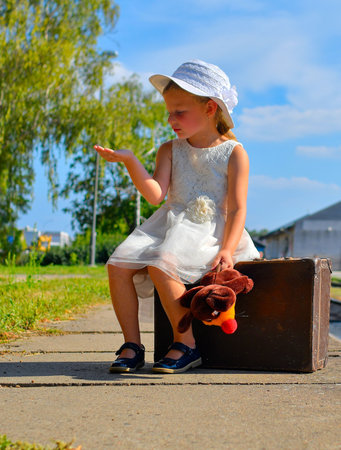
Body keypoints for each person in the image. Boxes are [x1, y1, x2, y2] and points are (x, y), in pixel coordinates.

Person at [94, 59, 260, 374]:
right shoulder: (170, 149)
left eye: (179, 112)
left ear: (211, 108)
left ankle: (186, 344)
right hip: (171, 222)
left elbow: (238, 207)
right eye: (169, 112)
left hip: (210, 230)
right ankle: (132, 345)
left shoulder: (234, 152)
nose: (172, 119)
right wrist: (130, 161)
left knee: (161, 264)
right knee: (117, 265)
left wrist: (227, 249)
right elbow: (156, 194)